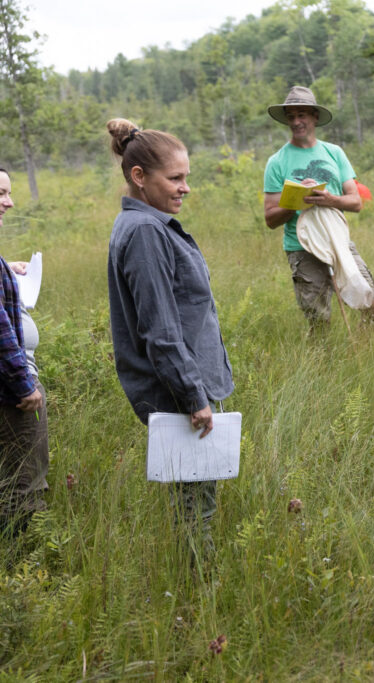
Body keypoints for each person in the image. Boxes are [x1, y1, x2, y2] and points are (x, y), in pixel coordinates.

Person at [105, 118, 234, 564]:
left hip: (181, 385)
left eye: (187, 178)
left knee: (195, 496)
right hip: (176, 391)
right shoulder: (144, 233)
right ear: (139, 178)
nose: (185, 188)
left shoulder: (150, 226)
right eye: (175, 179)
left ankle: (196, 579)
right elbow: (159, 331)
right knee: (196, 503)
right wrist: (193, 396)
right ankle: (200, 586)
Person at [262, 85, 374, 331]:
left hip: (338, 241)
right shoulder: (276, 162)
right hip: (302, 247)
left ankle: (362, 353)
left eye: (302, 114)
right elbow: (270, 218)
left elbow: (356, 202)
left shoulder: (334, 153)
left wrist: (329, 199)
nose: (296, 121)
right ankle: (323, 365)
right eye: (291, 116)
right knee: (319, 323)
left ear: (315, 117)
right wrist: (297, 200)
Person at [0, 169, 48, 538]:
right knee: (20, 483)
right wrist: (23, 385)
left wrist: (6, 269)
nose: (10, 202)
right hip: (10, 395)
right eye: (1, 193)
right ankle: (19, 567)